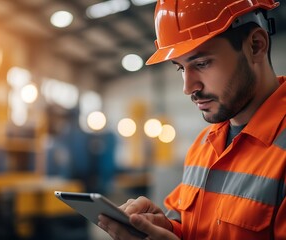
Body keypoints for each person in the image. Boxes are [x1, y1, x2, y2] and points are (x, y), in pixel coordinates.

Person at [98, 0, 286, 239]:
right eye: (180, 68)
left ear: (256, 46)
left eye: (202, 63)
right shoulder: (203, 145)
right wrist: (166, 228)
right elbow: (193, 227)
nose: (188, 87)